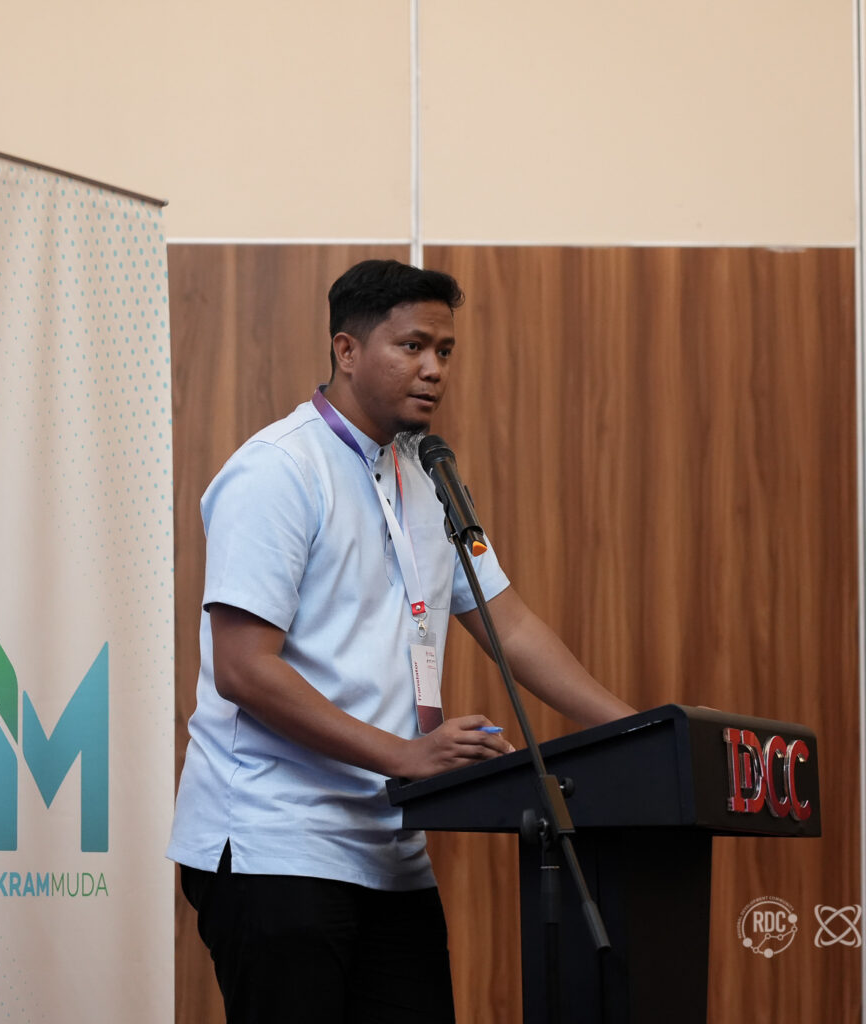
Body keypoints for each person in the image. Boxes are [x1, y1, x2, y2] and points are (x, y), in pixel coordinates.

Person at [166, 259, 635, 1023]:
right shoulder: (278, 470)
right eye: (412, 346)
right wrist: (405, 757)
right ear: (347, 350)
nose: (433, 368)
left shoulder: (428, 475)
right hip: (276, 844)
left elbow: (510, 623)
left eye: (444, 351)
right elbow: (243, 670)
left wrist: (640, 730)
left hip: (390, 851)